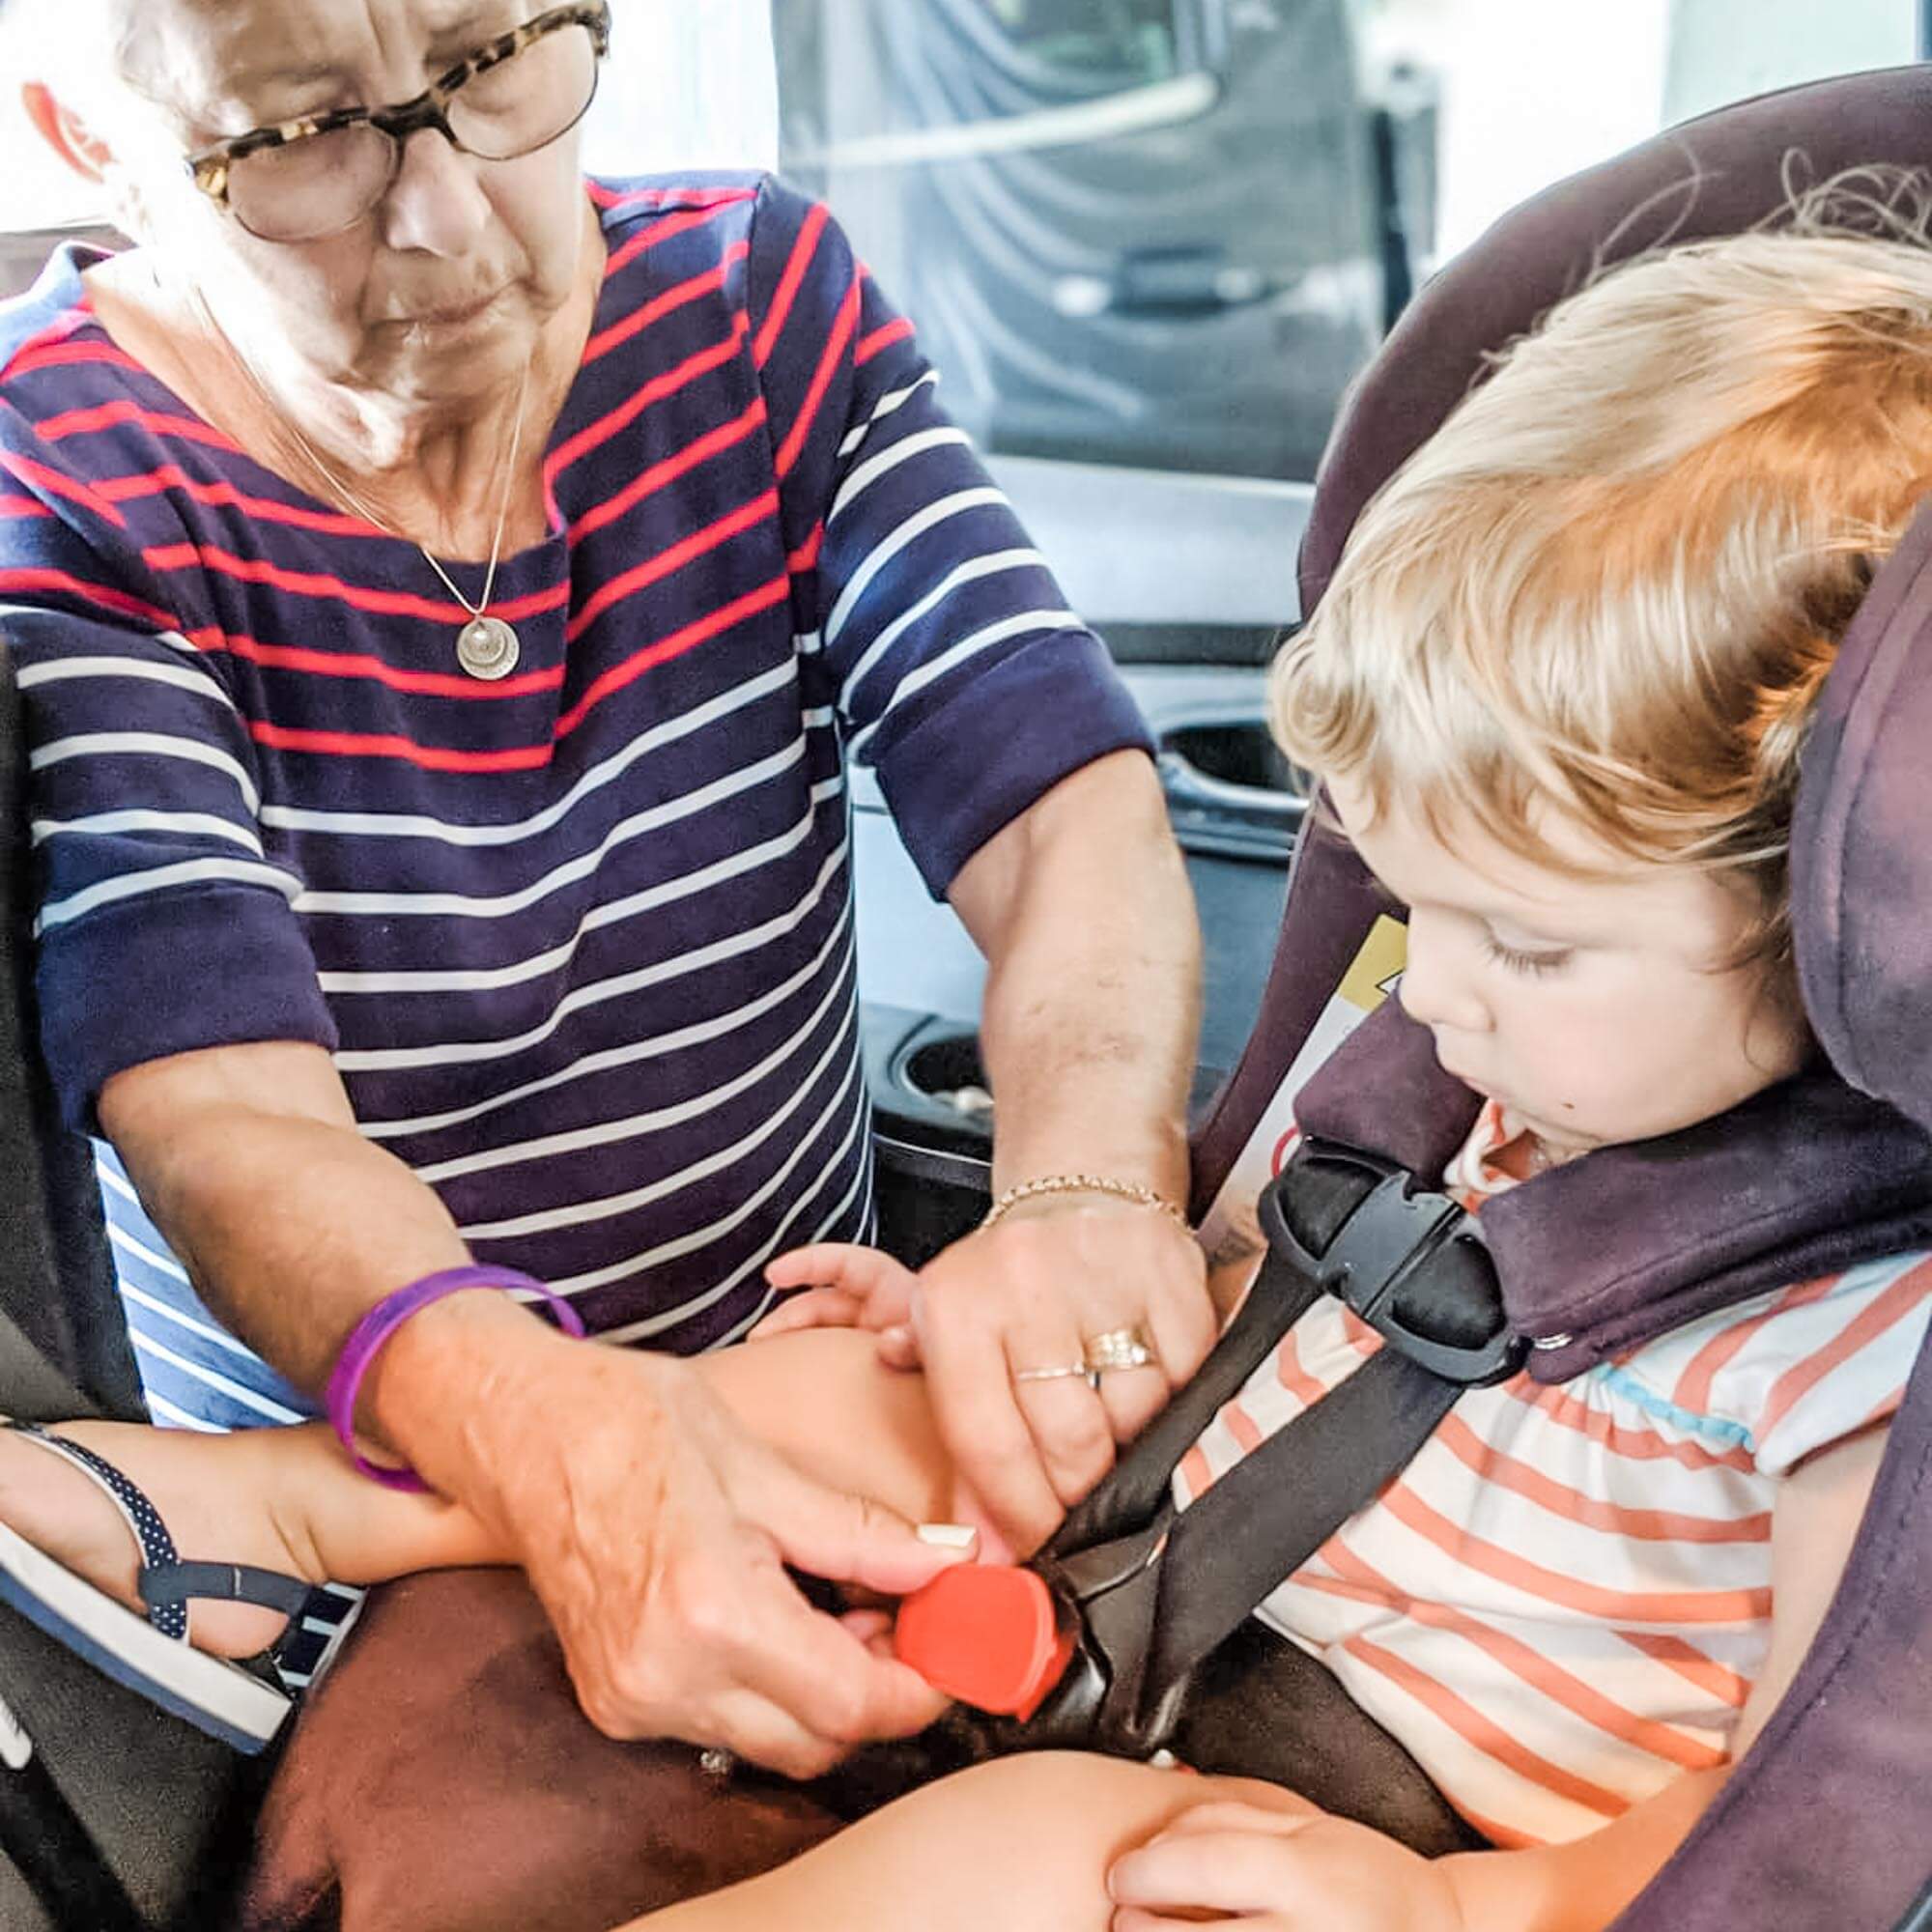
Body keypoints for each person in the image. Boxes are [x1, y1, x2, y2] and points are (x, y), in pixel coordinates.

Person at [8, 212, 1932, 1931]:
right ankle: (247, 1524)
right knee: (840, 1398)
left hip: (1383, 1806)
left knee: (1055, 1858)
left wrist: (1477, 1913)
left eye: (1521, 944)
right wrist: (991, 1308)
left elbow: (1796, 1820)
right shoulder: (1498, 1043)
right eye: (1422, 918)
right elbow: (1245, 1298)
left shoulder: (1856, 1346)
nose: (1436, 1003)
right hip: (1175, 1557)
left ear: (1838, 920)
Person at [0, 0, 1215, 1770]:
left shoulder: (751, 304)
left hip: (822, 1380)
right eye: (298, 141)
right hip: (372, 1541)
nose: (453, 220)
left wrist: (1084, 1184)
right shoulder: (60, 488)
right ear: (90, 141)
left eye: (493, 66)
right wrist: (565, 1442)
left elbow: (1058, 815)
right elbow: (230, 1120)